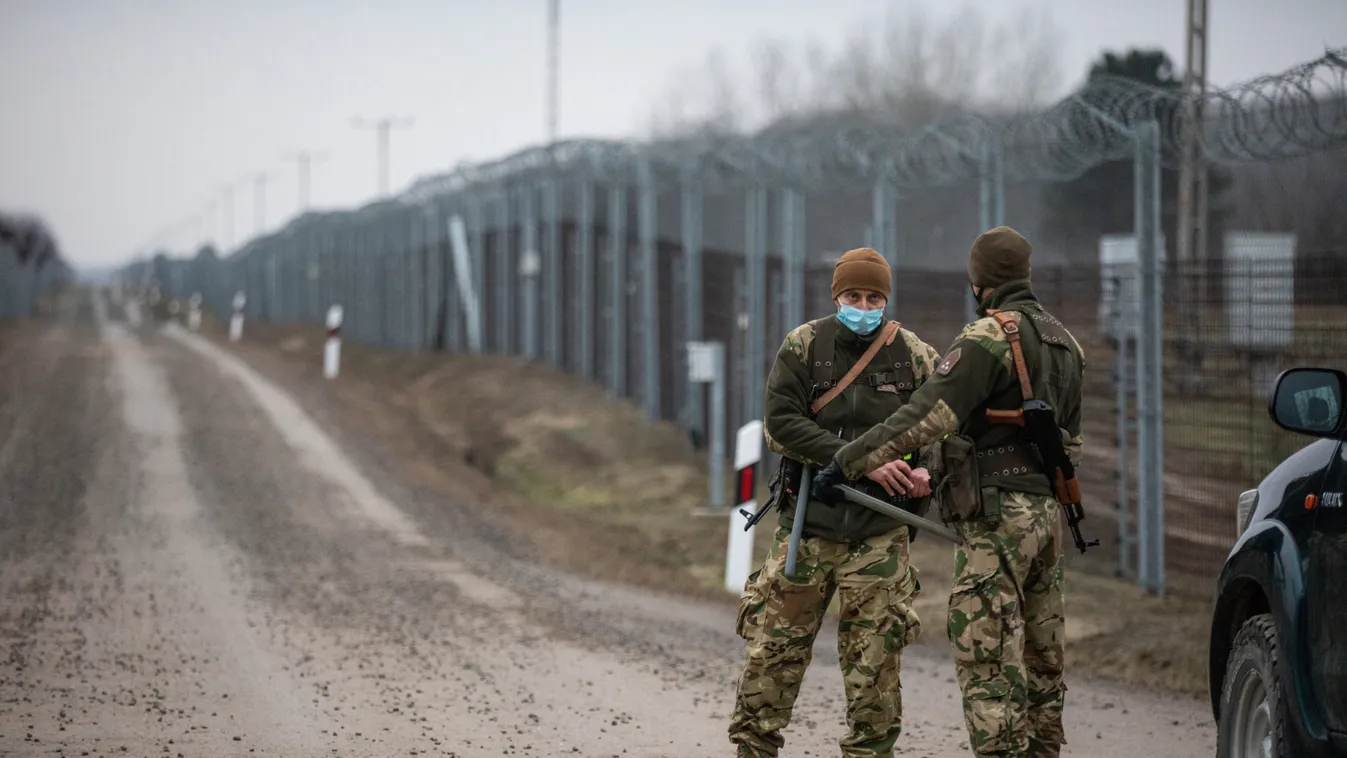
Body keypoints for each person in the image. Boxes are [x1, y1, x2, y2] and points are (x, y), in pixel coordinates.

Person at [811, 226, 1086, 757]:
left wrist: (847, 462)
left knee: (988, 652)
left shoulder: (987, 337)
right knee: (1042, 655)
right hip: (1047, 515)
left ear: (980, 282)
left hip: (997, 517)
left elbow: (926, 416)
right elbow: (1070, 440)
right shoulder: (1065, 342)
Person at [729, 246, 946, 758]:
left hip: (880, 531)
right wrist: (858, 458)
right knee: (774, 653)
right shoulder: (804, 346)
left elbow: (945, 426)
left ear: (886, 299)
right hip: (808, 523)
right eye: (853, 295)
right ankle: (753, 747)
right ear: (837, 296)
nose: (863, 305)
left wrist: (925, 470)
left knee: (875, 663)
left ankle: (870, 751)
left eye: (874, 297)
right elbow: (781, 425)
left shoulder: (915, 356)